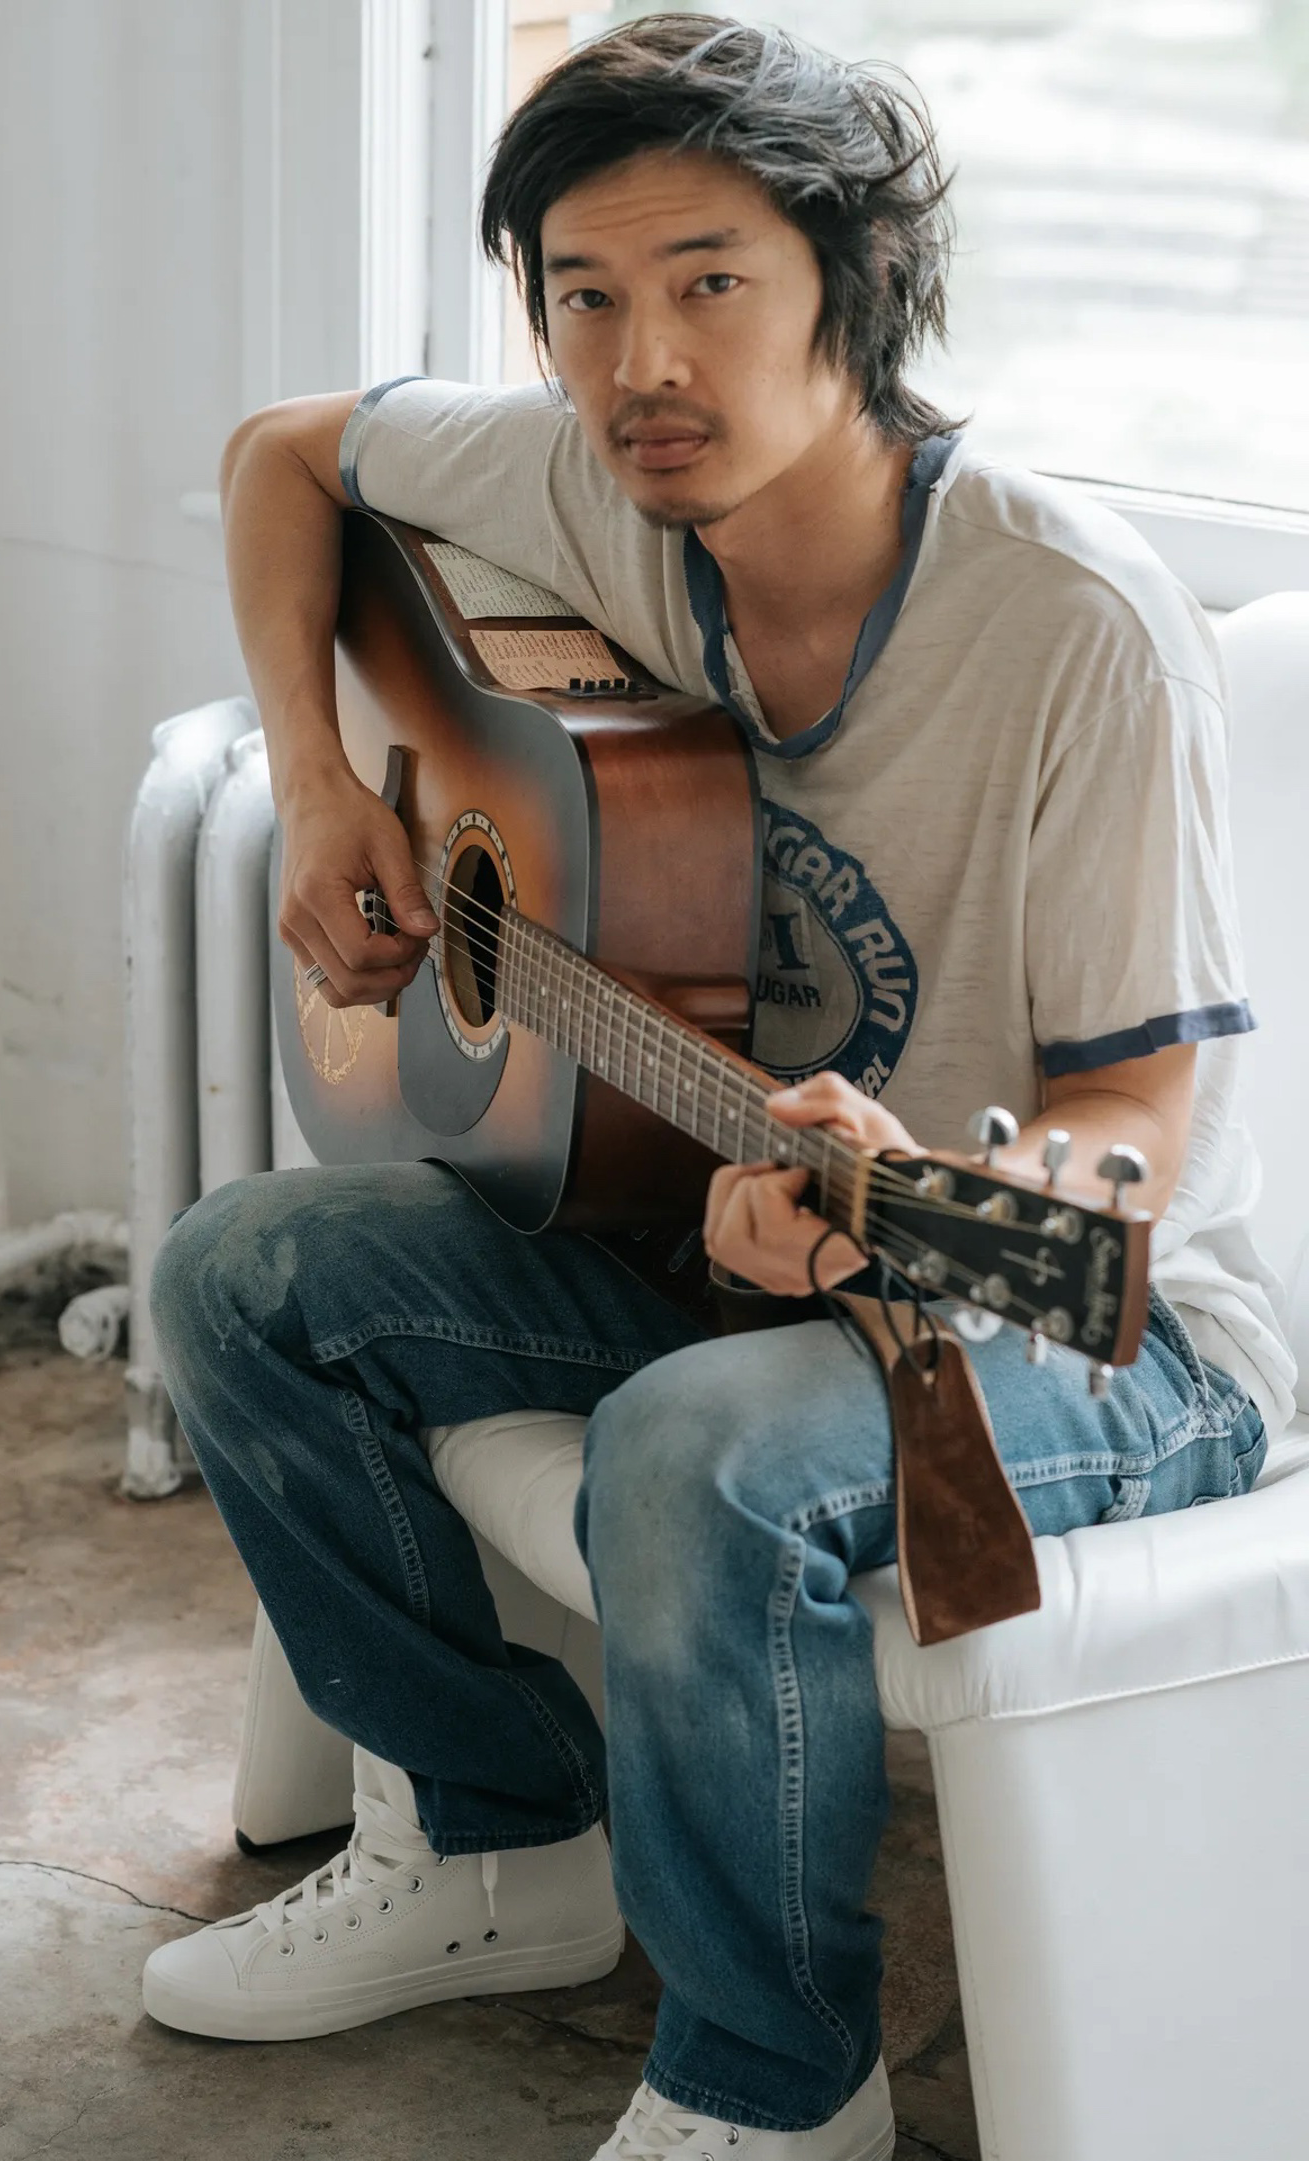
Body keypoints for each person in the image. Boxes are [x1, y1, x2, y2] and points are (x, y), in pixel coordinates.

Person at [142, 16, 1296, 2158]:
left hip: (1072, 1315)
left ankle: (776, 2082)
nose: (635, 358)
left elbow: (1133, 1126)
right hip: (732, 1221)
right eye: (580, 295)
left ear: (851, 290)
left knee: (692, 1446)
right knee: (242, 1271)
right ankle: (499, 1850)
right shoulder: (595, 480)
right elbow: (282, 455)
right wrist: (318, 784)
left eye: (707, 283)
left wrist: (913, 1197)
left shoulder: (1073, 630)